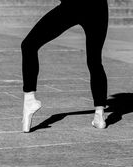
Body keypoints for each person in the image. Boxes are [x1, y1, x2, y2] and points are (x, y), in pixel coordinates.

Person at [21, 0, 109, 133]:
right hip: (97, 7)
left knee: (29, 45)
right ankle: (99, 114)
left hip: (72, 5)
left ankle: (29, 99)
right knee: (94, 60)